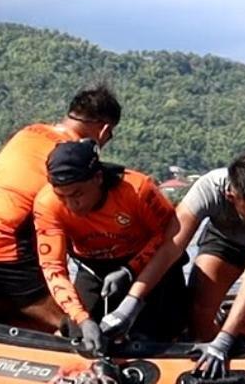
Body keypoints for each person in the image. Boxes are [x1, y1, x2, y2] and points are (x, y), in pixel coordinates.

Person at [102, 149, 245, 378]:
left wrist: (225, 339)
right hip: (227, 237)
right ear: (231, 197)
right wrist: (131, 302)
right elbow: (171, 247)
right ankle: (213, 363)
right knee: (199, 309)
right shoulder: (208, 188)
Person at [0, 86, 121, 329]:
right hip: (0, 247)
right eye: (110, 135)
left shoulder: (28, 132)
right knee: (72, 326)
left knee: (33, 300)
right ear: (104, 129)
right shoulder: (72, 158)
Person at [33, 140, 188, 352]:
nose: (71, 205)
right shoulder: (47, 204)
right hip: (93, 266)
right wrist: (82, 319)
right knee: (81, 336)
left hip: (150, 262)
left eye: (78, 194)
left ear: (98, 178)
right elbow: (53, 268)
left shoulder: (137, 190)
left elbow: (168, 236)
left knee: (153, 334)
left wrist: (130, 269)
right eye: (62, 196)